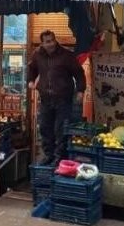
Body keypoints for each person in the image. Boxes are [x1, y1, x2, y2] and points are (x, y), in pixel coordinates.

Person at [27, 30, 85, 165]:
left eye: (52, 40)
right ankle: (49, 156)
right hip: (46, 99)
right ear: (42, 43)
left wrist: (81, 90)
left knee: (60, 130)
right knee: (45, 128)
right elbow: (32, 69)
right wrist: (30, 80)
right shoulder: (37, 55)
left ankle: (59, 157)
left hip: (63, 100)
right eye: (47, 42)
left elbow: (79, 73)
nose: (51, 43)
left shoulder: (66, 55)